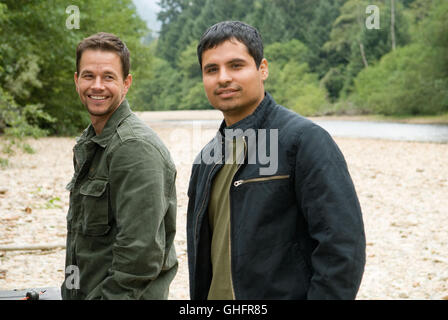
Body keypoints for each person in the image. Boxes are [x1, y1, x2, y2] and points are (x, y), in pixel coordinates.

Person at [186, 21, 366, 300]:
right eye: (212, 69)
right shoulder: (206, 160)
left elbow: (342, 248)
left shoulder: (304, 140)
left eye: (236, 65)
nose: (223, 78)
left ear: (262, 69)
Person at [61, 32, 177, 299]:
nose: (97, 86)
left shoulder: (134, 147)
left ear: (126, 83)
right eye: (89, 76)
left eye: (109, 77)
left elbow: (140, 253)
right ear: (77, 81)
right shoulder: (92, 141)